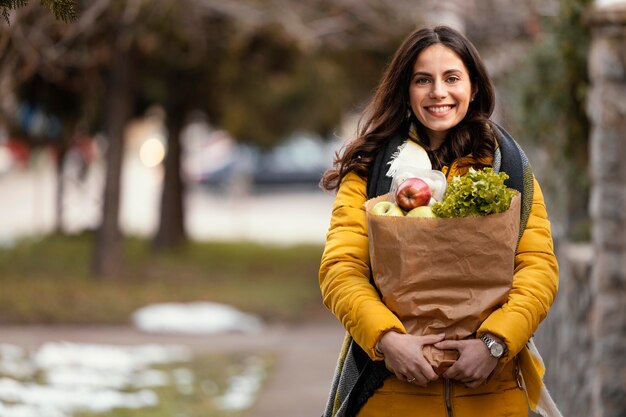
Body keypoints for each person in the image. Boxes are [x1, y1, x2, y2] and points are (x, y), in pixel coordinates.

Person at [319, 25, 560, 417]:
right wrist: (388, 340)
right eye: (422, 80)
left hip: (492, 392)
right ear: (405, 89)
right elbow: (340, 269)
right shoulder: (371, 170)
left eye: (451, 78)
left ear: (474, 87)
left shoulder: (509, 168)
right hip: (391, 392)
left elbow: (538, 267)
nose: (438, 92)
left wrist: (495, 343)